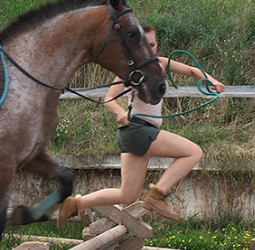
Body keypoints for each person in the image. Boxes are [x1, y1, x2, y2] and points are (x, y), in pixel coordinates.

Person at [57, 24, 225, 225]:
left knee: (127, 194)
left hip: (132, 135)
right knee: (193, 152)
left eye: (152, 44)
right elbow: (109, 98)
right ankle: (157, 196)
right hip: (138, 131)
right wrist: (119, 112)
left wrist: (212, 81)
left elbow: (191, 70)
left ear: (156, 44)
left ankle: (76, 203)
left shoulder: (160, 64)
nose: (149, 49)